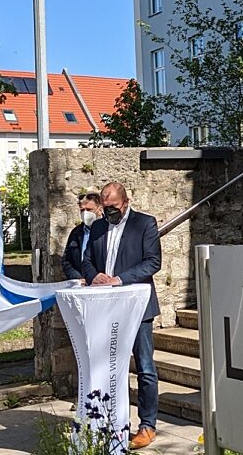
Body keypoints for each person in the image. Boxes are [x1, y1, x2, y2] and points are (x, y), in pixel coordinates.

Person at [82, 181, 162, 450]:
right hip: (106, 307)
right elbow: (86, 260)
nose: (109, 212)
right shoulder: (98, 227)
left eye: (114, 207)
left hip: (138, 308)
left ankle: (147, 425)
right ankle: (113, 421)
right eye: (105, 207)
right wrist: (94, 276)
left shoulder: (144, 224)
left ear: (125, 203)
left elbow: (153, 262)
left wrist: (119, 279)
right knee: (110, 368)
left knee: (145, 367)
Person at [62, 191, 103, 281]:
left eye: (89, 210)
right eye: (82, 210)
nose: (85, 213)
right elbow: (67, 261)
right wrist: (78, 277)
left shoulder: (108, 230)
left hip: (103, 282)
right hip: (82, 284)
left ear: (99, 209)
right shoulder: (76, 233)